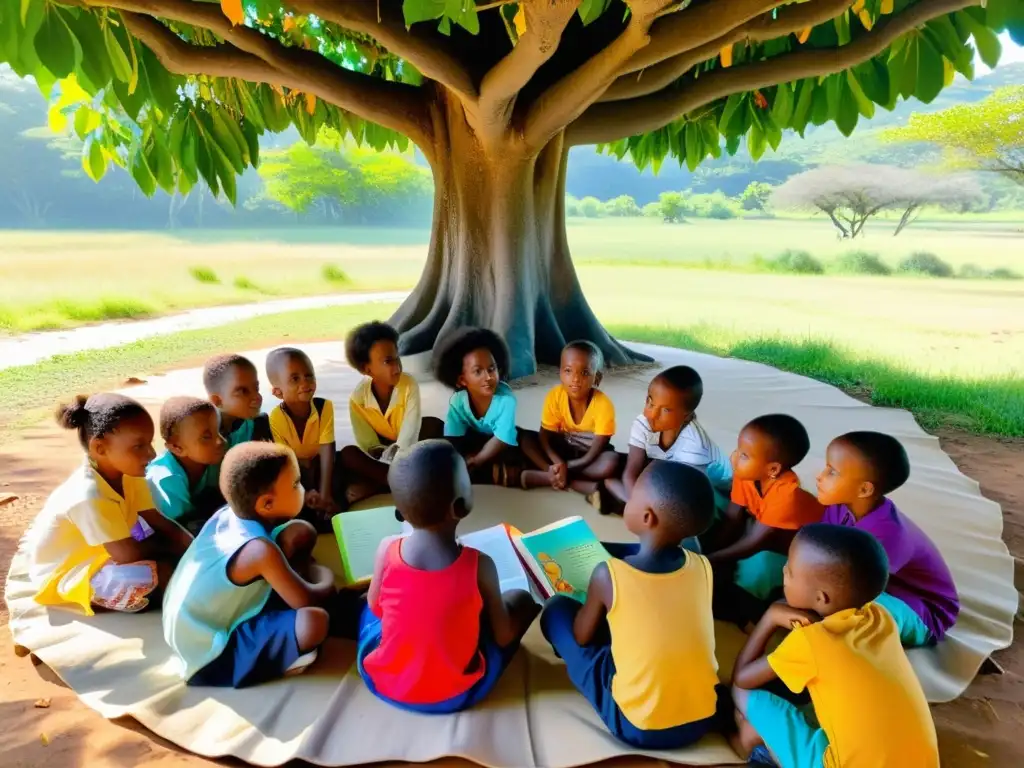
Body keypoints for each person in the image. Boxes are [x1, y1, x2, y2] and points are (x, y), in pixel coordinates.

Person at [540, 460, 722, 749]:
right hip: (702, 718)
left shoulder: (608, 575)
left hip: (638, 725)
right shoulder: (703, 566)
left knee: (556, 610)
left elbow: (582, 636)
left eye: (631, 496)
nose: (627, 499)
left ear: (647, 517)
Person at [731, 524, 939, 767]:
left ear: (821, 598)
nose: (784, 572)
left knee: (746, 696)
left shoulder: (813, 641)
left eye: (790, 572)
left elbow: (742, 679)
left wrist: (770, 618)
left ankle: (744, 740)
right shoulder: (881, 617)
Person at [357, 440, 539, 712]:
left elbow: (375, 606)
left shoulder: (387, 548)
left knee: (370, 608)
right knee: (521, 598)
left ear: (400, 512)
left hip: (388, 683)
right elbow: (502, 637)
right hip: (455, 692)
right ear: (460, 506)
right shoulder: (480, 565)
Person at [163, 442, 348, 688]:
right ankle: (283, 656)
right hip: (211, 652)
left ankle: (279, 605)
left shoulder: (229, 514)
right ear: (266, 505)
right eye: (295, 484)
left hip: (207, 618)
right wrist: (324, 575)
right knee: (314, 622)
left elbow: (297, 538)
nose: (302, 489)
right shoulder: (259, 550)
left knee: (300, 533)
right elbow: (310, 600)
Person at [28, 394, 191, 615]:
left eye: (150, 443)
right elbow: (128, 555)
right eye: (138, 446)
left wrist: (191, 546)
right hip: (71, 571)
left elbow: (155, 519)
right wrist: (174, 551)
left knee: (184, 553)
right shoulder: (89, 494)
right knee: (163, 575)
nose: (151, 454)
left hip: (110, 550)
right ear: (100, 448)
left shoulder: (130, 473)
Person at [816, 431, 959, 646]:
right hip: (869, 586)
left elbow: (850, 588)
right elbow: (817, 550)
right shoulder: (837, 508)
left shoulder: (888, 534)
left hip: (919, 611)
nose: (819, 476)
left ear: (864, 489)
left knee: (850, 615)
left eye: (832, 472)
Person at [704, 414, 824, 618]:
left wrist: (707, 560)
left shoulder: (787, 495)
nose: (734, 457)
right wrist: (712, 549)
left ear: (773, 469)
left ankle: (749, 607)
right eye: (738, 449)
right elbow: (733, 516)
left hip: (787, 550)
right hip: (758, 526)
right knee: (709, 497)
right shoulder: (747, 474)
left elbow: (754, 543)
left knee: (759, 567)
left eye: (744, 455)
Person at [337, 321, 443, 505]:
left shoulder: (408, 384)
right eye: (388, 361)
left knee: (434, 426)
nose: (397, 367)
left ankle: (377, 486)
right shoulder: (357, 398)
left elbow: (411, 429)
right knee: (348, 454)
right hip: (381, 452)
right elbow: (367, 443)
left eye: (397, 358)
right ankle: (407, 480)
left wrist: (398, 453)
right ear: (367, 369)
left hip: (408, 446)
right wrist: (383, 454)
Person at [605, 366, 731, 510]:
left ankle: (621, 503)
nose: (652, 414)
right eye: (650, 403)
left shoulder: (694, 448)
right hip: (669, 468)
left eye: (666, 410)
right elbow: (631, 471)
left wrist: (641, 506)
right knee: (614, 467)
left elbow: (687, 495)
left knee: (679, 513)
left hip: (714, 488)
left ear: (687, 416)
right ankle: (634, 506)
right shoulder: (644, 423)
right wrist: (639, 503)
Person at [519, 341, 619, 505]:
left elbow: (595, 451)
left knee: (610, 463)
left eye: (585, 373)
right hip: (562, 450)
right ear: (560, 373)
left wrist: (568, 466)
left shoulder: (603, 404)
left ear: (597, 378)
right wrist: (558, 463)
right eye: (568, 371)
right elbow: (544, 435)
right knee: (523, 438)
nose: (575, 379)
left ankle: (547, 477)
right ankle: (555, 475)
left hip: (588, 457)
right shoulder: (554, 396)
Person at [433, 328, 522, 485]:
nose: (488, 377)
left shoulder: (506, 400)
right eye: (478, 371)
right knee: (435, 435)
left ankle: (492, 471)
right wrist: (460, 459)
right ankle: (492, 473)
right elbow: (453, 438)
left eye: (491, 369)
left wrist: (477, 460)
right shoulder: (458, 401)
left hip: (498, 446)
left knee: (522, 439)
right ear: (462, 380)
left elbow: (502, 439)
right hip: (472, 442)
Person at [266, 347, 339, 528]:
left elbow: (327, 450)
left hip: (321, 466)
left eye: (309, 375)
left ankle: (326, 502)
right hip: (297, 470)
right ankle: (312, 505)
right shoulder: (276, 417)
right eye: (295, 379)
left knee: (348, 456)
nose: (305, 383)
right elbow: (286, 461)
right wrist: (304, 491)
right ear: (277, 392)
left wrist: (324, 492)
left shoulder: (324, 407)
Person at [146, 396, 228, 535]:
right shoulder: (165, 480)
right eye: (206, 437)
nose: (220, 441)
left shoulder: (211, 459)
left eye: (218, 431)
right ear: (177, 447)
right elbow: (182, 530)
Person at [203, 354, 271, 447]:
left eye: (256, 388)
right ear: (218, 401)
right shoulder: (201, 434)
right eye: (243, 391)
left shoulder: (257, 424)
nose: (257, 397)